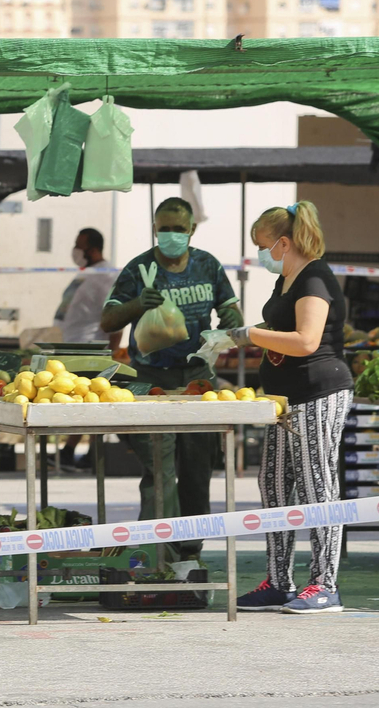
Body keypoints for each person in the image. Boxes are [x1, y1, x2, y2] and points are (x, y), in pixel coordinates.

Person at [229, 203, 352, 614]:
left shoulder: (315, 277)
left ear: (284, 242)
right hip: (284, 402)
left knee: (317, 483)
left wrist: (251, 334)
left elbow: (305, 342)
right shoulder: (287, 280)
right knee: (275, 483)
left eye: (263, 246)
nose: (260, 255)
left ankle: (325, 584)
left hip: (318, 394)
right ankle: (279, 581)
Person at [100, 198, 243, 536]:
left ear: (192, 230)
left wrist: (228, 333)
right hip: (150, 380)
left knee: (197, 469)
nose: (171, 235)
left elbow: (231, 312)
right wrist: (136, 305)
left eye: (178, 229)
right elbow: (108, 320)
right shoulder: (139, 269)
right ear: (154, 228)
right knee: (159, 469)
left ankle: (191, 548)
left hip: (198, 379)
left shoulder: (208, 266)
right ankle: (158, 547)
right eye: (164, 228)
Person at [54, 227, 120, 470]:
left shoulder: (106, 275)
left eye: (79, 245)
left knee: (87, 401)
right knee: (83, 400)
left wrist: (110, 355)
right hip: (74, 346)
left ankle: (81, 453)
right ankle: (78, 453)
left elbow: (115, 317)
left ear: (92, 249)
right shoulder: (88, 273)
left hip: (92, 348)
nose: (75, 250)